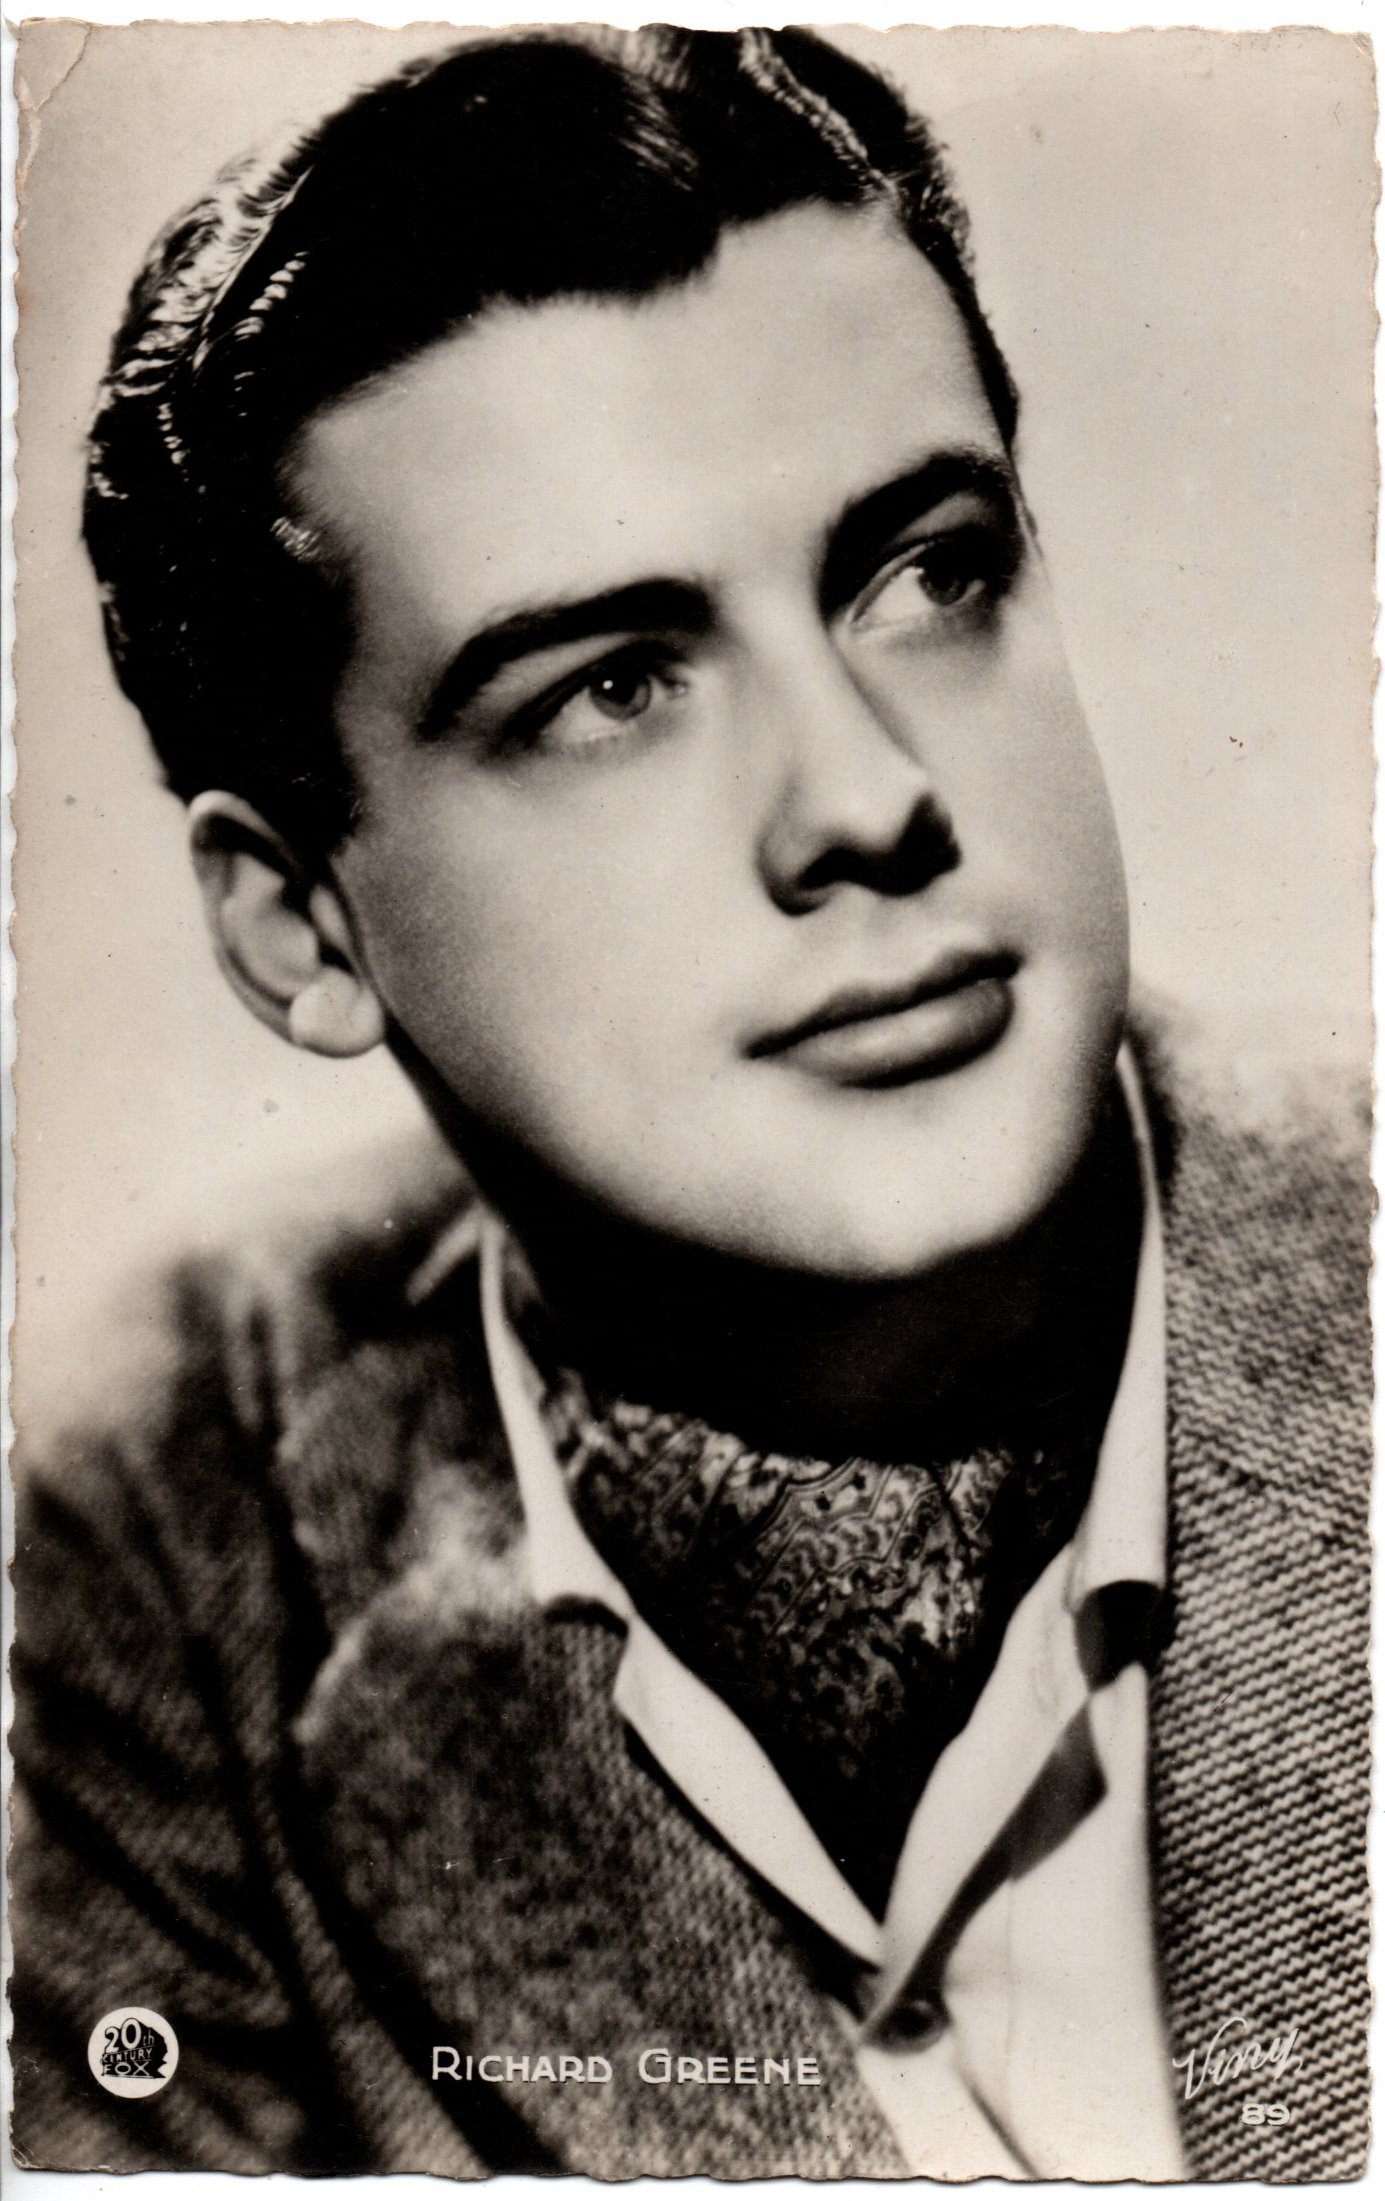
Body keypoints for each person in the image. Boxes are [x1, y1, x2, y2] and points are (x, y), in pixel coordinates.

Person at [9, 23, 1369, 2184]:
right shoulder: (163, 1552)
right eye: (613, 688)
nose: (865, 798)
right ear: (299, 928)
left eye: (928, 572)